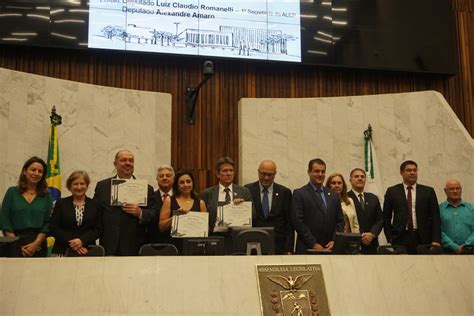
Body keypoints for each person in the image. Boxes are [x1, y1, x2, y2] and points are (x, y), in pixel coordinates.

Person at [93, 150, 156, 256]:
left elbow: (153, 214)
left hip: (135, 246)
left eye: (131, 160)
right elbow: (95, 213)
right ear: (115, 164)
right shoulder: (102, 186)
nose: (128, 163)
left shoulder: (146, 188)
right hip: (109, 245)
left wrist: (140, 213)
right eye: (123, 160)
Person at [383, 160, 441, 254]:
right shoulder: (392, 191)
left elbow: (435, 217)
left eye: (414, 170)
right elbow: (386, 216)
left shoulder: (428, 191)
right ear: (401, 173)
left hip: (423, 237)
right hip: (400, 238)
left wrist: (436, 240)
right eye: (409, 170)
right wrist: (390, 237)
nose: (412, 173)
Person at [0, 156, 52, 257]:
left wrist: (36, 244)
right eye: (33, 170)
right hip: (12, 241)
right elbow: (5, 219)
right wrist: (15, 245)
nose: (36, 173)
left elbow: (48, 223)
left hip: (38, 244)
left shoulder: (46, 196)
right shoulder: (12, 192)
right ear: (24, 171)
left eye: (40, 171)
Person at [291, 158, 344, 254]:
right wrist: (313, 244)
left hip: (330, 249)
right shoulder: (300, 193)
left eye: (323, 171)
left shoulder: (333, 195)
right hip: (308, 249)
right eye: (316, 171)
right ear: (309, 172)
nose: (320, 174)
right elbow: (298, 222)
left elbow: (340, 220)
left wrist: (335, 240)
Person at [244, 160, 294, 254]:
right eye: (263, 174)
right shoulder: (247, 190)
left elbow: (289, 224)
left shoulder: (285, 192)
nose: (266, 178)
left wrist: (289, 249)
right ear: (258, 172)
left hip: (278, 246)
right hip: (253, 245)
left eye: (270, 174)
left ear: (275, 174)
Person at [49, 170, 101, 256]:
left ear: (87, 186)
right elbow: (53, 227)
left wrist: (82, 241)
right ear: (69, 186)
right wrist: (74, 244)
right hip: (62, 250)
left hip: (88, 250)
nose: (79, 187)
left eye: (82, 183)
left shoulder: (95, 204)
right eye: (75, 184)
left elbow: (98, 229)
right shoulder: (61, 203)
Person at [201, 157, 253, 232]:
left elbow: (253, 215)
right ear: (218, 174)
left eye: (231, 170)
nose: (228, 174)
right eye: (225, 171)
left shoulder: (244, 192)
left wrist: (242, 206)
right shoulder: (207, 193)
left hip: (237, 236)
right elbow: (203, 218)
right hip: (215, 236)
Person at [159, 170, 207, 252]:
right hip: (174, 248)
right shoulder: (169, 200)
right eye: (182, 182)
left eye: (188, 181)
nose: (186, 185)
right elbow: (161, 227)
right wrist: (176, 217)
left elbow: (205, 229)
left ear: (193, 183)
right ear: (177, 185)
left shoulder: (201, 203)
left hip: (195, 248)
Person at [347, 168, 384, 254]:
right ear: (350, 180)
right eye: (356, 176)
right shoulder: (345, 197)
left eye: (362, 177)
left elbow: (380, 220)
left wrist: (372, 234)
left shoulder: (373, 198)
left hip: (371, 243)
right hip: (352, 244)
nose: (360, 178)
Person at [439, 179, 473, 254]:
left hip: (470, 251)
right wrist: (454, 247)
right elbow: (439, 231)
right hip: (446, 252)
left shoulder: (471, 209)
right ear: (445, 191)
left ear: (461, 190)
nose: (455, 191)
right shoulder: (439, 209)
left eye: (458, 188)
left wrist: (465, 246)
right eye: (451, 189)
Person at [146, 164, 175, 243]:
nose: (164, 178)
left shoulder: (179, 197)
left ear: (173, 179)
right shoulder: (150, 197)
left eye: (168, 176)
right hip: (153, 243)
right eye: (161, 176)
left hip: (177, 244)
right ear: (157, 179)